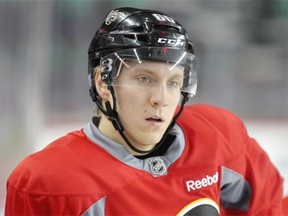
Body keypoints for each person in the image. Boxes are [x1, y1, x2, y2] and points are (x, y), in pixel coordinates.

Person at [5, 7, 286, 216]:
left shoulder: (217, 136)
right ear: (104, 82)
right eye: (145, 79)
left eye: (173, 82)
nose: (161, 99)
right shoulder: (49, 182)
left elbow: (270, 208)